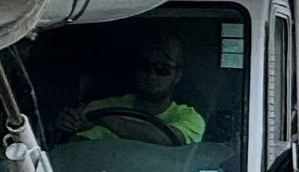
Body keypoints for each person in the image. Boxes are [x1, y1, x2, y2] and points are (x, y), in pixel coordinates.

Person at [59, 31, 206, 144]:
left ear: (177, 76)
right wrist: (70, 124)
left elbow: (169, 139)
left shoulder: (190, 119)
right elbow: (77, 150)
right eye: (144, 66)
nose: (151, 75)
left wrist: (106, 119)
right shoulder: (102, 107)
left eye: (162, 69)